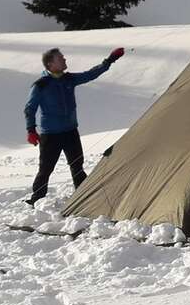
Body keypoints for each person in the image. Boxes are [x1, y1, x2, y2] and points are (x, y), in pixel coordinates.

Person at [24, 46, 124, 204]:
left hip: (70, 131)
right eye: (60, 58)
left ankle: (83, 197)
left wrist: (109, 60)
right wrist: (31, 130)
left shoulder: (68, 79)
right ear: (50, 64)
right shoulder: (41, 85)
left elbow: (91, 74)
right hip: (50, 135)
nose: (64, 60)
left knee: (77, 165)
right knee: (46, 169)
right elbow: (30, 109)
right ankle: (36, 199)